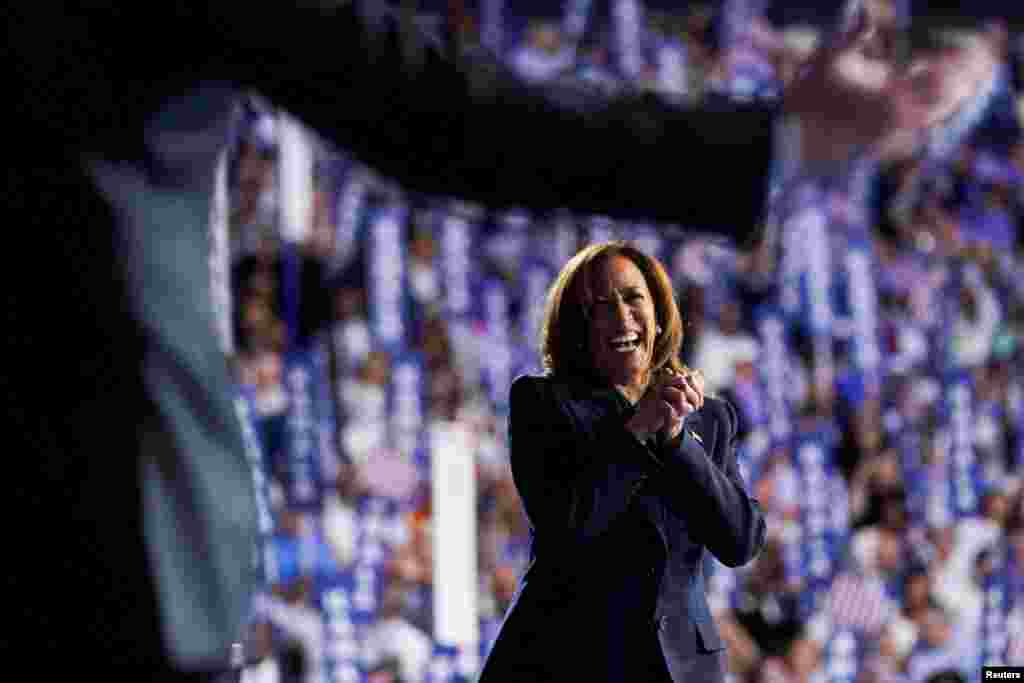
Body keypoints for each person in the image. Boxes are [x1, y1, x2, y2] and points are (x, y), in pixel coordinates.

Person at [3, 0, 996, 681]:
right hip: (107, 550)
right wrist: (773, 138)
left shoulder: (686, 437)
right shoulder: (549, 412)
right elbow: (439, 116)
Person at [476, 241, 767, 682]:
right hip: (570, 661)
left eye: (634, 297)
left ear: (659, 309)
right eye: (600, 306)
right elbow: (571, 528)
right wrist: (638, 428)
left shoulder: (709, 416)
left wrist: (675, 440)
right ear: (578, 327)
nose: (623, 317)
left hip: (680, 666)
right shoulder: (543, 402)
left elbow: (740, 540)